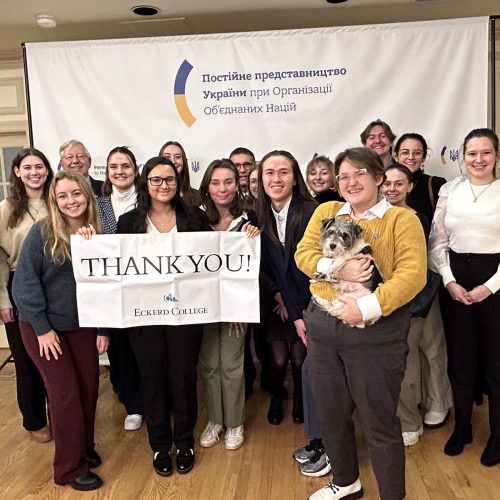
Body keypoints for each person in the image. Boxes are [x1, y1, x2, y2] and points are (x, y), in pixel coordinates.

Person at [296, 147, 426, 500]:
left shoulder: (401, 220)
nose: (350, 182)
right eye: (344, 176)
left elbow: (412, 276)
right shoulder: (327, 212)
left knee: (379, 423)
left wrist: (366, 307)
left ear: (379, 178)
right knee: (332, 413)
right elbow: (304, 253)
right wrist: (338, 267)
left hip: (376, 336)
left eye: (359, 174)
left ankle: (392, 496)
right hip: (324, 332)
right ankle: (347, 482)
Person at [12, 170, 109, 491]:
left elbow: (109, 287)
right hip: (42, 327)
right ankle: (68, 469)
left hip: (81, 326)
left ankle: (82, 448)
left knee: (88, 388)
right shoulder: (42, 234)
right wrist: (42, 328)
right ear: (55, 200)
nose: (71, 201)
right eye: (63, 195)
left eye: (76, 194)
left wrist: (102, 328)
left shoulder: (99, 234)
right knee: (65, 394)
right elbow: (24, 286)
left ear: (87, 196)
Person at [115, 156, 209, 476]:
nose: (163, 186)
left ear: (177, 182)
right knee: (152, 380)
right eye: (156, 180)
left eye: (169, 179)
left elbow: (215, 261)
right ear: (146, 183)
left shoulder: (195, 218)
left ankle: (184, 441)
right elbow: (113, 267)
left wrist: (247, 239)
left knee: (183, 378)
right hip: (144, 317)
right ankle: (159, 446)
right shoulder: (128, 223)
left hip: (185, 314)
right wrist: (89, 241)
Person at [429, 128, 500, 466]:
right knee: (460, 361)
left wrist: (490, 286)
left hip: (496, 284)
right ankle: (463, 427)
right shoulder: (449, 191)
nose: (479, 159)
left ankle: (499, 435)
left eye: (486, 152)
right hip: (455, 282)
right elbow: (437, 242)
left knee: (496, 365)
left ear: (496, 156)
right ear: (464, 156)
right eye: (472, 153)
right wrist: (450, 281)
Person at [197, 159, 260, 452]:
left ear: (238, 185)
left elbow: (256, 268)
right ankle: (215, 420)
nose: (222, 189)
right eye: (216, 182)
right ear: (207, 187)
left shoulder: (251, 218)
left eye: (228, 182)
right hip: (202, 305)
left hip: (236, 306)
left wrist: (253, 241)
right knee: (209, 365)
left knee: (232, 364)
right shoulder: (195, 219)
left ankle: (235, 421)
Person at [393, 133, 452, 432]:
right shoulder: (384, 194)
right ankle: (413, 403)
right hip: (396, 287)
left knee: (431, 344)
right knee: (407, 349)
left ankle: (439, 402)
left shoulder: (434, 186)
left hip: (428, 279)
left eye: (417, 152)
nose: (411, 156)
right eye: (405, 151)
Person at [381, 164, 441, 447]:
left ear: (410, 187)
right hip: (381, 303)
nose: (392, 188)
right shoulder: (377, 217)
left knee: (404, 365)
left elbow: (417, 269)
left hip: (409, 303)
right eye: (387, 183)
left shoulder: (416, 219)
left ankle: (409, 423)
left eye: (399, 183)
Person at [256, 150, 316, 429]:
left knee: (300, 357)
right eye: (269, 172)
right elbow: (259, 266)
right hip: (273, 300)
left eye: (283, 172)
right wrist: (278, 296)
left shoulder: (311, 212)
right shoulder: (255, 216)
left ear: (294, 179)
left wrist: (293, 303)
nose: (276, 179)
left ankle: (302, 401)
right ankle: (277, 395)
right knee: (278, 359)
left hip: (306, 300)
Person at [0, 148, 53, 443]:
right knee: (27, 359)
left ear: (47, 170)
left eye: (40, 166)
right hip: (19, 284)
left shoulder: (57, 201)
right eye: (27, 167)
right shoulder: (6, 208)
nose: (34, 172)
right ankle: (34, 420)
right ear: (17, 172)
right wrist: (3, 299)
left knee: (55, 355)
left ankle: (59, 414)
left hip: (56, 285)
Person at [97, 146, 143, 431]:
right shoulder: (97, 204)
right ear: (107, 172)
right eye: (114, 166)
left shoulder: (148, 201)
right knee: (121, 349)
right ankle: (133, 406)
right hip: (111, 288)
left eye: (125, 166)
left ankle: (153, 402)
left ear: (135, 170)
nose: (120, 171)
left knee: (145, 348)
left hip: (144, 287)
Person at [158, 141, 201, 207]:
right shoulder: (152, 196)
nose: (173, 161)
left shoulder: (198, 197)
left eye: (177, 157)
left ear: (184, 161)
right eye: (167, 157)